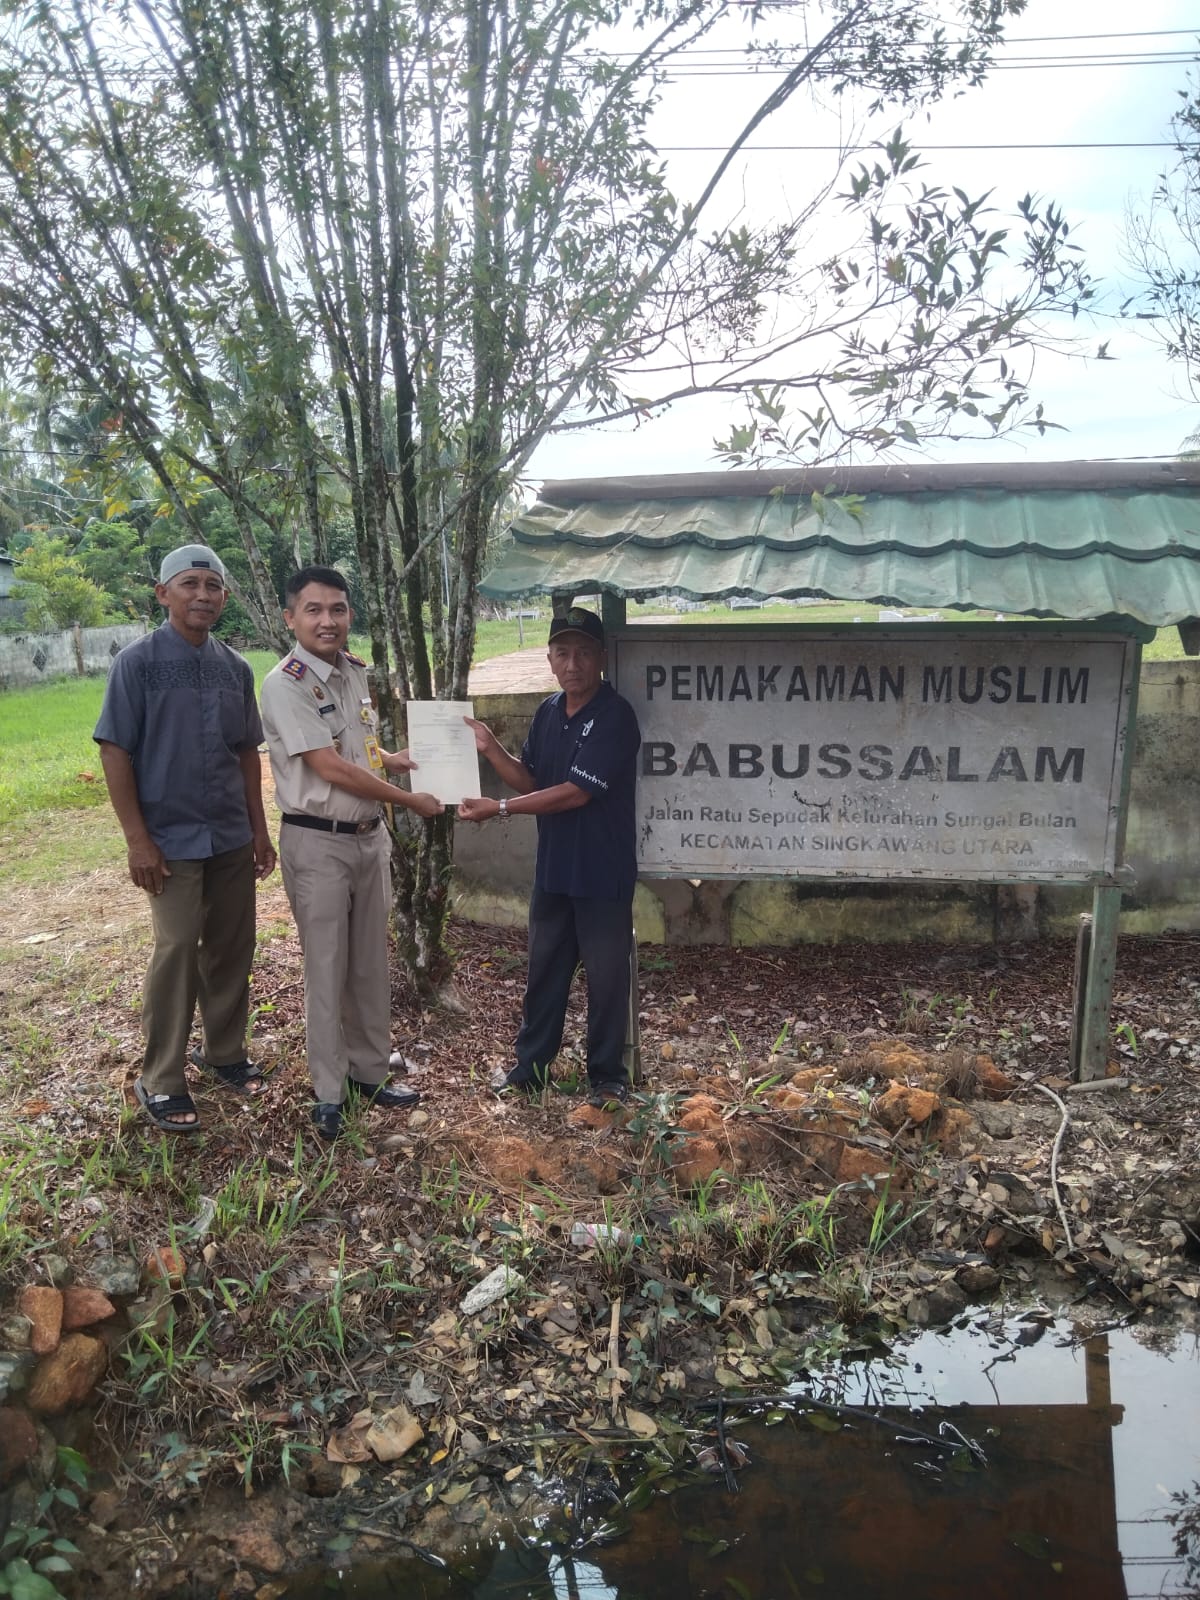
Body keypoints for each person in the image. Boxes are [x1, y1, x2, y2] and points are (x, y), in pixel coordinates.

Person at [94, 543, 276, 1134]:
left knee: (231, 946)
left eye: (214, 586)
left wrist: (258, 828)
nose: (203, 595)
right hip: (168, 839)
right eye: (190, 583)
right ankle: (161, 1077)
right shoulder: (137, 664)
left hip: (227, 832)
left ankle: (223, 1052)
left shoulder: (235, 668)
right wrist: (137, 841)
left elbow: (246, 750)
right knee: (176, 950)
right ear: (163, 593)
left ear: (225, 597)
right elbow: (116, 750)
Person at [259, 566, 444, 1142]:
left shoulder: (353, 673)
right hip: (318, 843)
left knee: (368, 963)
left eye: (337, 609)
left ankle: (370, 1072)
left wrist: (394, 759)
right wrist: (407, 798)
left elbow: (356, 749)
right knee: (327, 967)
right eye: (313, 610)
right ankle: (329, 1092)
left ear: (349, 616)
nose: (327, 621)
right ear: (290, 618)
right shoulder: (284, 682)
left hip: (368, 838)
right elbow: (327, 766)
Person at [458, 606, 641, 1107]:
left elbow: (575, 793)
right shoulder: (547, 712)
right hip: (555, 870)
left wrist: (498, 807)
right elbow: (535, 779)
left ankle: (606, 1077)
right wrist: (493, 749)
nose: (573, 663)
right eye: (563, 653)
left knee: (605, 980)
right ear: (550, 659)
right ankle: (531, 1068)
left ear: (601, 657)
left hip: (602, 872)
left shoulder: (615, 716)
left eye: (583, 652)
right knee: (543, 972)